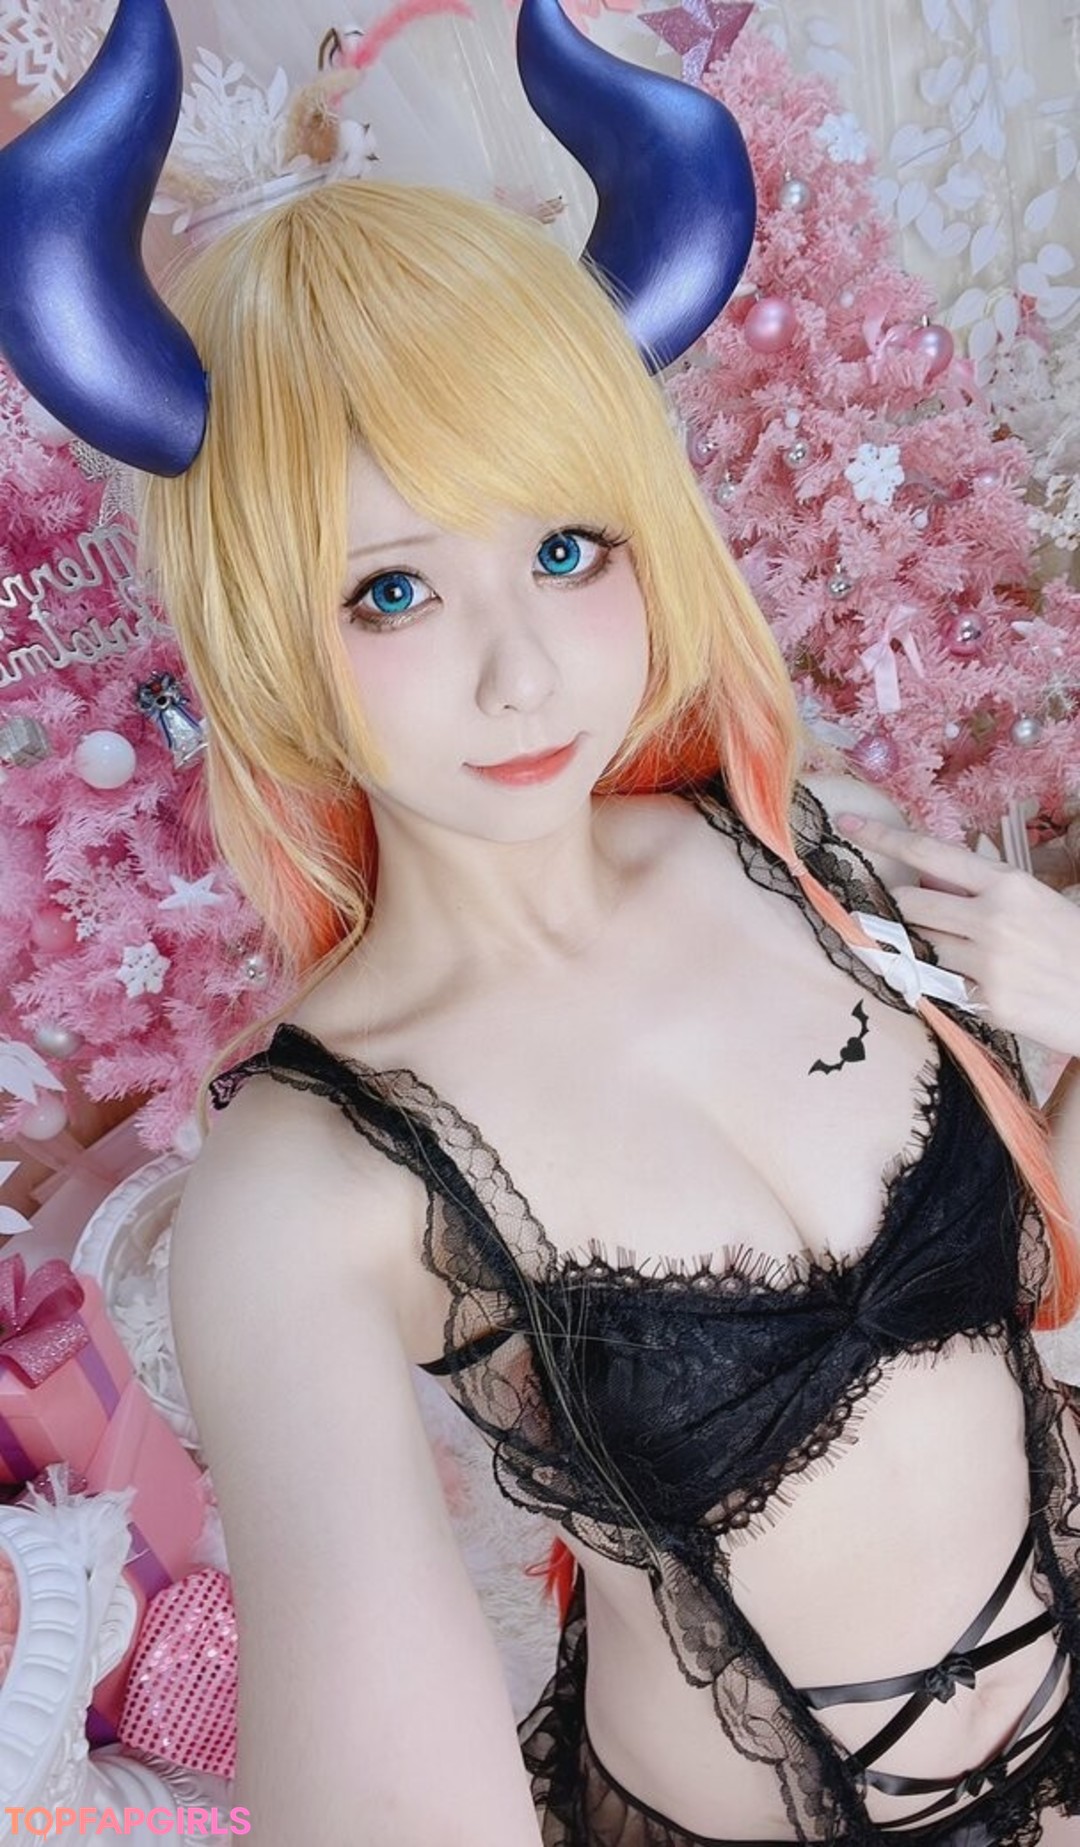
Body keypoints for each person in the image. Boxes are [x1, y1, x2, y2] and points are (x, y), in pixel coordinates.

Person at [2, 3, 1079, 1844]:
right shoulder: (308, 1191)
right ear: (263, 627)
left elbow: (1023, 1323)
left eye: (565, 550)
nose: (518, 674)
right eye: (391, 591)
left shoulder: (807, 856)